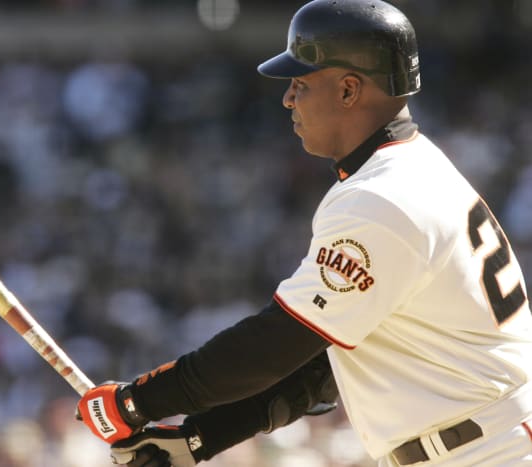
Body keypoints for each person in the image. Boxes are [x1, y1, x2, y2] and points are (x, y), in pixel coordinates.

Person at [76, 0, 532, 465]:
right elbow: (320, 363)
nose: (288, 99)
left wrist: (137, 402)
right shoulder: (411, 167)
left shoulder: (381, 199)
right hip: (486, 439)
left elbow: (277, 345)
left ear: (349, 90)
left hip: (488, 449)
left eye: (300, 83)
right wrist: (198, 439)